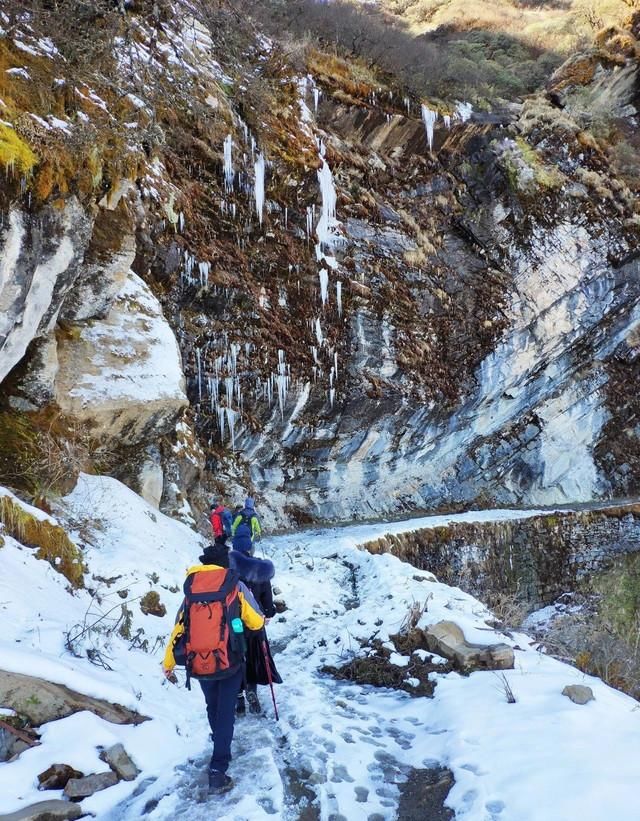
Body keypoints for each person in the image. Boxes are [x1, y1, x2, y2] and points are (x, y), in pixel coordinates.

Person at [162, 535, 273, 795]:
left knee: (213, 707)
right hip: (230, 659)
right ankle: (218, 767)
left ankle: (219, 746)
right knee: (226, 712)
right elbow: (256, 622)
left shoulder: (192, 588)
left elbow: (179, 627)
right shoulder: (234, 585)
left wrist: (168, 662)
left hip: (198, 661)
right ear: (226, 565)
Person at [230, 548, 279, 715]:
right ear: (250, 548)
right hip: (255, 623)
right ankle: (251, 688)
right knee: (254, 657)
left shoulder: (228, 569)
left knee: (236, 658)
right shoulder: (260, 570)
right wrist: (269, 612)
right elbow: (267, 600)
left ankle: (238, 698)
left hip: (234, 623)